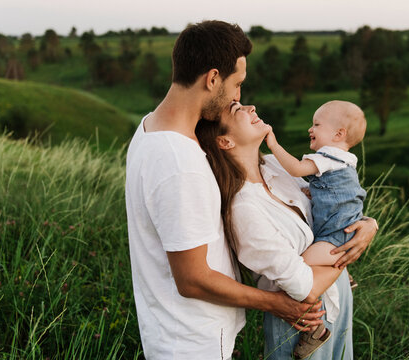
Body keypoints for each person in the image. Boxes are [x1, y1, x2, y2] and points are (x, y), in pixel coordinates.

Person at [125, 21, 327, 360]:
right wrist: (276, 304)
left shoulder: (151, 127)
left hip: (185, 335)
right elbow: (192, 279)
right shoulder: (179, 162)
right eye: (237, 84)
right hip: (192, 344)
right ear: (212, 78)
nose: (238, 97)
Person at [195, 102, 378, 359]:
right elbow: (305, 287)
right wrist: (349, 253)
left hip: (338, 298)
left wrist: (369, 225)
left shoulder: (274, 165)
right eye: (238, 110)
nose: (251, 106)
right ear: (224, 141)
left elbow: (332, 201)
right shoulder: (243, 207)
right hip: (301, 319)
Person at [264, 100, 368, 357]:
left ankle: (315, 330)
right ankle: (345, 274)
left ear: (338, 134)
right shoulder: (345, 159)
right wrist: (314, 191)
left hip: (334, 237)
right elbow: (338, 192)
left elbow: (297, 168)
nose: (310, 129)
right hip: (345, 229)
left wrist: (273, 145)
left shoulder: (326, 156)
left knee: (299, 271)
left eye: (317, 124)